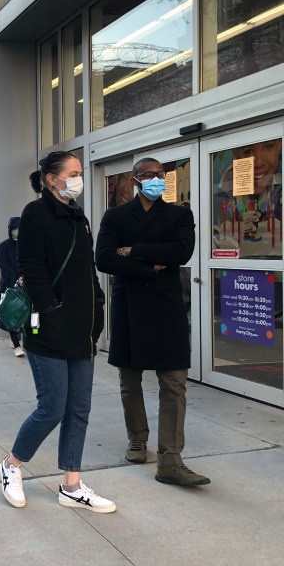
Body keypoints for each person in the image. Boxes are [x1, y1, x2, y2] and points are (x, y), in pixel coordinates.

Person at [0, 151, 114, 514]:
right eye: (74, 172)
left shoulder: (79, 218)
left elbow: (86, 269)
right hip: (48, 326)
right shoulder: (36, 214)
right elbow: (30, 266)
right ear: (52, 178)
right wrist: (50, 308)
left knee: (79, 409)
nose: (79, 178)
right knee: (52, 407)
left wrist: (96, 307)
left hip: (82, 329)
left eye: (79, 173)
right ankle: (12, 465)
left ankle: (71, 484)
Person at [95, 157, 210, 487]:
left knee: (174, 383)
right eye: (149, 175)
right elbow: (103, 259)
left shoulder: (179, 214)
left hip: (166, 308)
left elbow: (180, 253)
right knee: (129, 380)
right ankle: (137, 440)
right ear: (134, 181)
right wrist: (150, 265)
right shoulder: (115, 216)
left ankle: (171, 459)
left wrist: (132, 251)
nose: (156, 180)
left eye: (161, 175)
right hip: (129, 308)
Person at [0, 216, 24, 358]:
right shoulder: (4, 246)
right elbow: (4, 268)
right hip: (10, 286)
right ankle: (16, 343)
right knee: (13, 314)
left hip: (27, 286)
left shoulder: (27, 245)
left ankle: (20, 340)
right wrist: (14, 282)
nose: (17, 231)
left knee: (27, 315)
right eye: (14, 229)